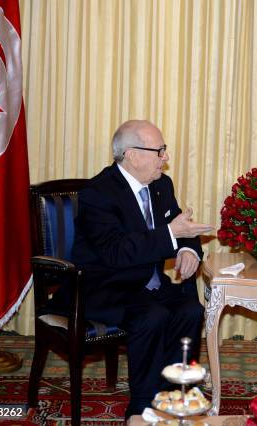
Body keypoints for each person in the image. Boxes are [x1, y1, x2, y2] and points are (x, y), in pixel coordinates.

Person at [70, 120, 213, 418]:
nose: (166, 158)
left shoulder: (161, 185)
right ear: (133, 155)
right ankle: (142, 409)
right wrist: (172, 234)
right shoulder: (98, 193)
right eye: (160, 151)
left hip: (147, 285)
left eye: (164, 150)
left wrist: (188, 248)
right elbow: (116, 252)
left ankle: (174, 395)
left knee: (191, 310)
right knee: (153, 316)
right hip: (106, 288)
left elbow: (180, 227)